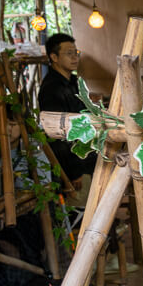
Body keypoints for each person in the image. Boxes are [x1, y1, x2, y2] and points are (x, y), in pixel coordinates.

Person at [37, 33, 94, 205]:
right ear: (54, 57)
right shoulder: (51, 89)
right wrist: (73, 172)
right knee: (81, 210)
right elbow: (56, 134)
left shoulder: (74, 82)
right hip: (73, 165)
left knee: (95, 206)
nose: (75, 57)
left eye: (76, 52)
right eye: (69, 53)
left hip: (87, 157)